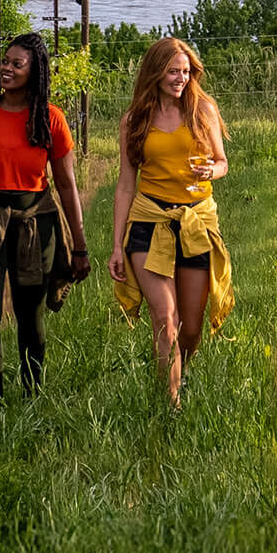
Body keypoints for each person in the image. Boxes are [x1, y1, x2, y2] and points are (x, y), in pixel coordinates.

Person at [0, 31, 91, 395]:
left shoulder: (50, 120)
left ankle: (32, 392)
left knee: (30, 315)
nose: (5, 69)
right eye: (4, 62)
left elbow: (67, 185)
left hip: (34, 223)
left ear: (34, 72)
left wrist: (80, 246)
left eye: (16, 64)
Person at [109, 36, 235, 403]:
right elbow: (124, 185)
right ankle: (170, 405)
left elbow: (222, 162)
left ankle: (181, 368)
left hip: (195, 222)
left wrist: (212, 172)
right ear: (155, 72)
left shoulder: (203, 111)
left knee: (190, 328)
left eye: (185, 71)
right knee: (165, 318)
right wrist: (116, 246)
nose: (180, 78)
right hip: (149, 222)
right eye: (172, 71)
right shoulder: (134, 121)